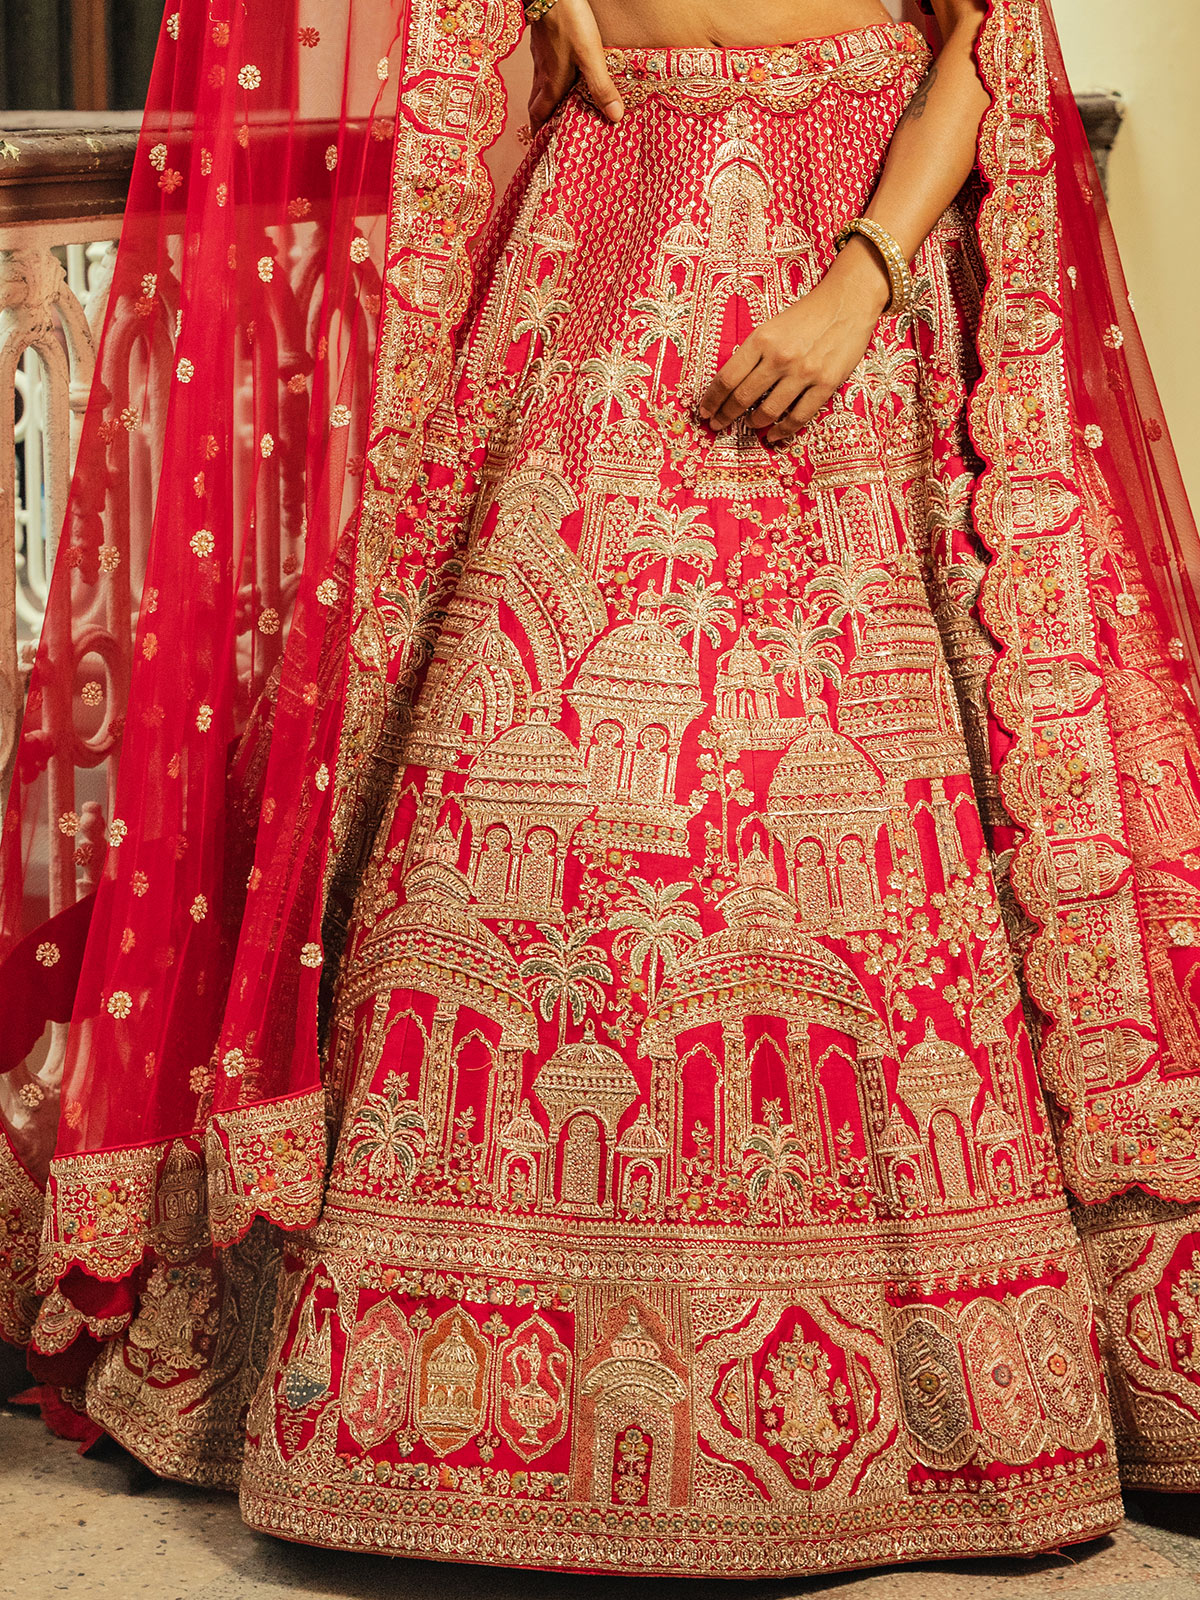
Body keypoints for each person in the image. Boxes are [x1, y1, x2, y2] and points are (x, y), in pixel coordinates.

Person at [1, 0, 1198, 1579]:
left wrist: (864, 276)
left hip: (845, 238)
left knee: (833, 813)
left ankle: (937, 1398)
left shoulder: (863, 261)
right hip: (604, 210)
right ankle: (428, 1398)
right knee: (506, 783)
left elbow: (989, 38)